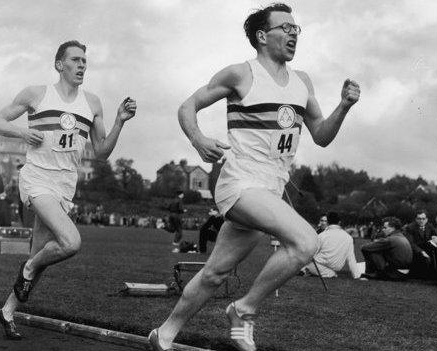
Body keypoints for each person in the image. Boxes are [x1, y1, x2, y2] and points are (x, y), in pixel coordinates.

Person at [148, 4, 360, 351]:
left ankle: (164, 333)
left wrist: (344, 106)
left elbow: (321, 135)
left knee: (215, 273)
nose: (293, 34)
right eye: (285, 28)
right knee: (307, 242)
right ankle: (243, 309)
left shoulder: (302, 81)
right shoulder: (240, 74)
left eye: (297, 29)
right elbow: (187, 106)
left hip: (270, 192)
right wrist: (198, 139)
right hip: (240, 183)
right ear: (262, 36)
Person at [0, 40, 137, 340]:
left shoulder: (93, 103)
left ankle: (6, 312)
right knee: (70, 242)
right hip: (37, 178)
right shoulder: (37, 94)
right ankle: (27, 269)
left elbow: (102, 152)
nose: (82, 65)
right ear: (60, 64)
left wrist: (120, 122)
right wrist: (22, 132)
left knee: (40, 257)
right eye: (76, 60)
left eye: (85, 60)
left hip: (65, 184)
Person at [301, 211, 361, 279]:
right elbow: (351, 259)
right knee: (331, 273)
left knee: (329, 273)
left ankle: (305, 270)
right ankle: (305, 270)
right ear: (339, 222)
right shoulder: (349, 238)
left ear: (328, 222)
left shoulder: (322, 236)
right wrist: (357, 276)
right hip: (321, 268)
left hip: (318, 267)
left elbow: (312, 253)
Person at [360, 217, 412, 281]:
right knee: (375, 248)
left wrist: (376, 242)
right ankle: (373, 273)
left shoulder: (391, 239)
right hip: (406, 274)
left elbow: (364, 247)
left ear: (393, 228)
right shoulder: (402, 237)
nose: (383, 230)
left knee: (369, 250)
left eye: (385, 228)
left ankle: (369, 273)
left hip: (395, 274)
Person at [403, 209, 437, 279]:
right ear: (416, 219)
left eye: (423, 219)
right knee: (425, 259)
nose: (421, 221)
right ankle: (422, 275)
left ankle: (436, 275)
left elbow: (436, 235)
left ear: (427, 219)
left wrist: (435, 239)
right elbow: (411, 243)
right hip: (415, 251)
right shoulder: (410, 228)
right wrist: (421, 252)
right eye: (419, 219)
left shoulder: (429, 226)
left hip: (428, 249)